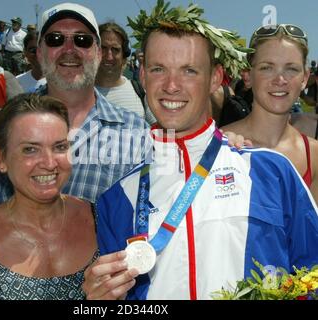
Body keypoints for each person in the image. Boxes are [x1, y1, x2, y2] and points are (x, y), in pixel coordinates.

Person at [82, 1, 318, 300]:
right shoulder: (117, 198)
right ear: (141, 75)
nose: (171, 85)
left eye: (189, 71)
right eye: (158, 69)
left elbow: (313, 273)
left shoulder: (273, 172)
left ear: (216, 78)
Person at [0, 2, 148, 289]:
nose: (69, 49)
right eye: (55, 39)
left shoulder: (136, 134)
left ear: (97, 52)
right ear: (40, 52)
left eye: (82, 40)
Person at [0, 93, 97, 300]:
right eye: (30, 149)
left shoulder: (102, 220)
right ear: (0, 158)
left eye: (59, 147)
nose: (49, 163)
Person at [222, 24, 318, 203]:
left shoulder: (314, 155)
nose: (280, 80)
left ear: (304, 78)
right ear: (247, 76)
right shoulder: (217, 143)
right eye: (267, 68)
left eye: (291, 69)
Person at [95, 22, 156, 124]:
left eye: (115, 49)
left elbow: (164, 135)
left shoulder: (141, 93)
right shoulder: (80, 95)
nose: (109, 56)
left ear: (124, 54)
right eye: (103, 48)